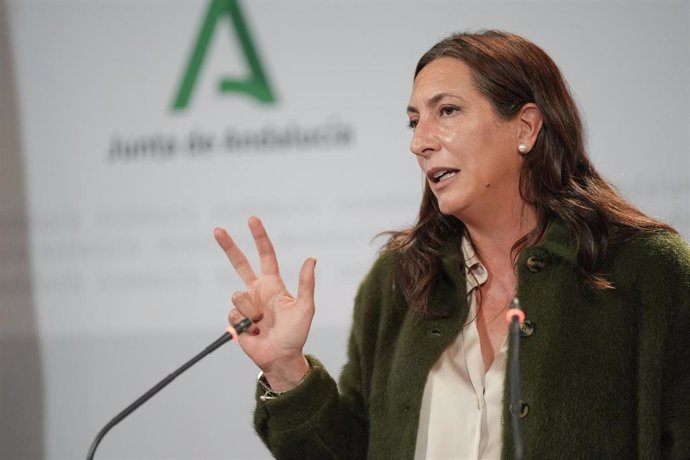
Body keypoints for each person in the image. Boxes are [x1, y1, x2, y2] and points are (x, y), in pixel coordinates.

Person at [213, 30, 690, 459]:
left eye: (447, 111)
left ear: (525, 128)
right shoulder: (398, 282)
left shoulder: (647, 271)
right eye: (413, 121)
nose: (420, 142)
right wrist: (287, 370)